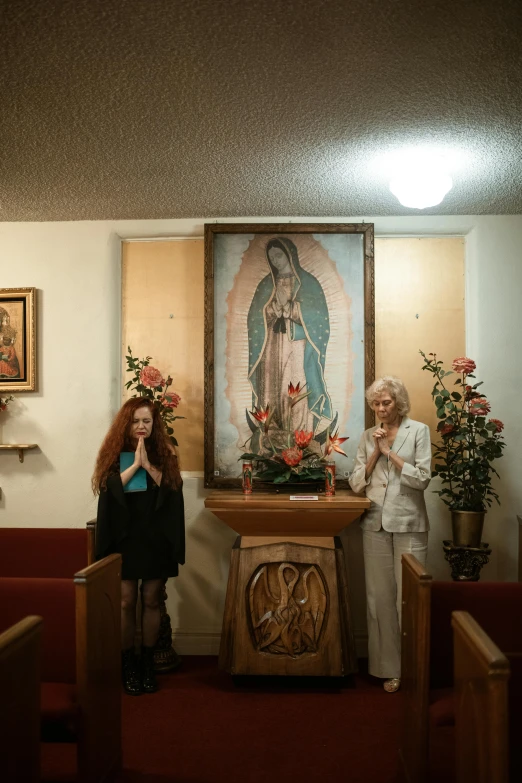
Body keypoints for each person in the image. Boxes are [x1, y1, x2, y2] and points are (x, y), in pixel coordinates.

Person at [92, 398, 185, 696]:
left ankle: (146, 662)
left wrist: (149, 465)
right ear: (126, 424)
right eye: (136, 421)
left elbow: (173, 490)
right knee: (126, 600)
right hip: (126, 538)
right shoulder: (114, 454)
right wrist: (134, 466)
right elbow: (107, 490)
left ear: (154, 424)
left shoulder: (164, 454)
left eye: (147, 421)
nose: (141, 427)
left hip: (155, 538)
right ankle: (127, 663)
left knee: (152, 599)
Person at [349, 376, 431, 693]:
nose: (381, 408)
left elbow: (422, 478)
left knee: (408, 599)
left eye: (387, 402)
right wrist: (374, 452)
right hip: (374, 524)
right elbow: (357, 483)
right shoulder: (368, 435)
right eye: (376, 403)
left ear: (399, 403)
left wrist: (390, 453)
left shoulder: (418, 431)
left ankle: (415, 669)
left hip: (409, 523)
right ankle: (387, 669)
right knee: (379, 599)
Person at [247, 237, 333, 438]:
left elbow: (319, 319)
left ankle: (300, 437)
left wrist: (291, 308)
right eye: (272, 258)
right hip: (271, 346)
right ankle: (272, 435)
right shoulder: (266, 284)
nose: (275, 260)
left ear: (289, 254)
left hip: (297, 345)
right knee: (271, 385)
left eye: (278, 255)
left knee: (296, 385)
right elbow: (254, 317)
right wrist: (271, 310)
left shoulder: (308, 283)